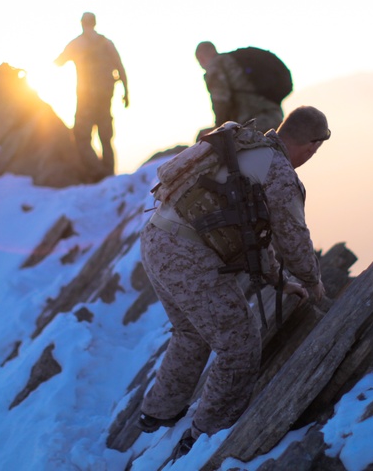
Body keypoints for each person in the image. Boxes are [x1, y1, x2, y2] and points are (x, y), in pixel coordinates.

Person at [137, 105, 331, 458]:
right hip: (187, 256)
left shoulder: (245, 145)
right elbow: (292, 236)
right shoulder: (281, 174)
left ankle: (157, 413)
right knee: (239, 346)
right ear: (312, 145)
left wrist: (278, 280)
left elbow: (252, 233)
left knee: (190, 332)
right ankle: (205, 437)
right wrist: (311, 280)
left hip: (155, 238)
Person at [54, 12, 129, 177]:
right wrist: (126, 92)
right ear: (95, 23)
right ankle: (108, 172)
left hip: (86, 97)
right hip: (106, 95)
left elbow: (59, 62)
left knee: (81, 135)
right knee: (105, 136)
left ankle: (96, 172)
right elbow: (120, 67)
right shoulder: (106, 43)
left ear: (82, 23)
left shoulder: (77, 43)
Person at [196, 41, 284, 133]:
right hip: (275, 115)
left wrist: (219, 129)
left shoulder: (215, 66)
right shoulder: (234, 61)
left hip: (253, 124)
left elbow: (221, 101)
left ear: (201, 58)